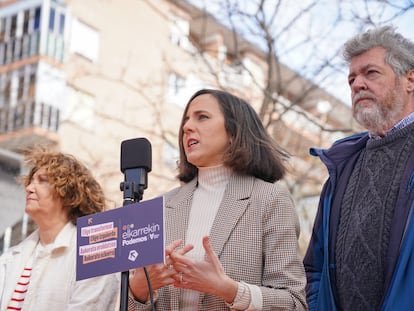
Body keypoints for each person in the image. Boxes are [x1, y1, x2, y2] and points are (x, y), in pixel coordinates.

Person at [127, 89, 308, 310]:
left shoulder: (270, 200)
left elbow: (294, 303)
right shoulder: (159, 207)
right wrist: (139, 288)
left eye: (202, 117)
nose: (186, 127)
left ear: (234, 131)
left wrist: (230, 290)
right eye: (186, 121)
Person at [303, 25, 414, 311]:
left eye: (371, 73)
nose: (357, 84)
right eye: (351, 78)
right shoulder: (342, 165)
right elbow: (314, 268)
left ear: (410, 79)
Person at [0, 147, 120, 310]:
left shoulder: (95, 255)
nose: (29, 188)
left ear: (69, 193)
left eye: (42, 180)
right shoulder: (10, 258)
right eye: (31, 181)